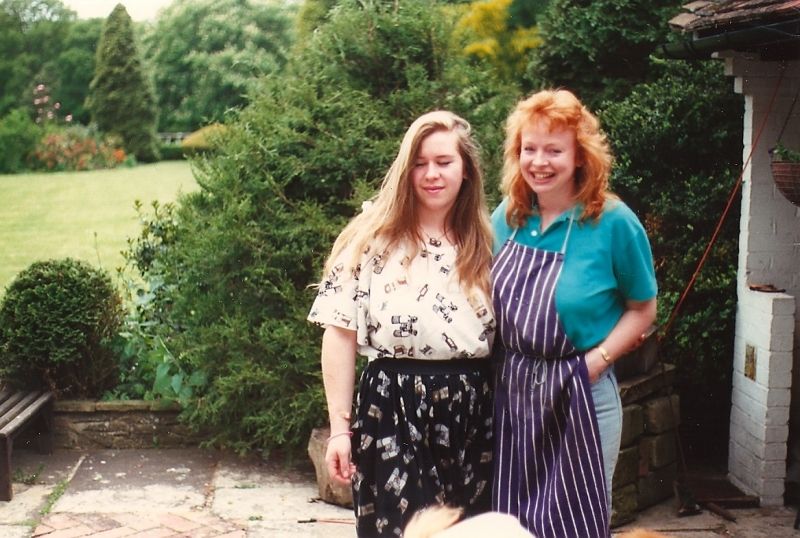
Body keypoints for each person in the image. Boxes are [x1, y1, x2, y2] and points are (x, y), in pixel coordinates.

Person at [308, 110, 496, 537]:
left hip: (475, 413)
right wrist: (339, 430)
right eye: (419, 163)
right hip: (393, 408)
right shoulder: (370, 240)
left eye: (444, 162)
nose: (431, 174)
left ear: (466, 170)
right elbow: (339, 334)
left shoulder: (489, 243)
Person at [490, 89, 657, 537]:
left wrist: (596, 363)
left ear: (580, 156)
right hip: (514, 399)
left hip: (581, 397)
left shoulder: (614, 222)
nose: (539, 162)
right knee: (512, 524)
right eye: (529, 149)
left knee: (574, 524)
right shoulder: (508, 216)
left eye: (554, 150)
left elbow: (643, 309)